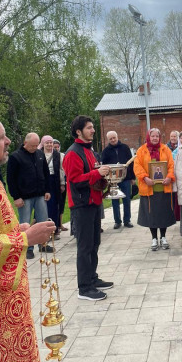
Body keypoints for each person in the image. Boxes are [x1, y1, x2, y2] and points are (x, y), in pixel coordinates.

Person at [0, 115, 56, 362]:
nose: (9, 141)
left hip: (7, 303)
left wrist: (18, 228)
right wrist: (26, 238)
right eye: (1, 137)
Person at [63, 115, 113, 301]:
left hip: (94, 202)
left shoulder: (89, 150)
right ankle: (84, 288)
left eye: (92, 127)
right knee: (84, 247)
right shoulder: (73, 153)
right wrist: (96, 173)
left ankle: (92, 278)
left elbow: (92, 175)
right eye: (89, 128)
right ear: (79, 131)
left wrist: (105, 182)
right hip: (81, 205)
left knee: (94, 244)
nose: (93, 130)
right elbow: (75, 180)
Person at [7, 132, 52, 259]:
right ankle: (27, 247)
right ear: (25, 143)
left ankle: (43, 244)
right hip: (24, 197)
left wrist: (47, 190)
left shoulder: (39, 154)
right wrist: (16, 197)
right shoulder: (16, 157)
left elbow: (46, 172)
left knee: (43, 219)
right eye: (32, 145)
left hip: (40, 194)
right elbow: (11, 179)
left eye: (37, 145)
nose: (34, 148)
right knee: (25, 223)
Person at [134, 128, 176, 251]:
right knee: (151, 215)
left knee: (163, 214)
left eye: (157, 136)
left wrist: (169, 177)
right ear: (148, 136)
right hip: (148, 188)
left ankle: (163, 237)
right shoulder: (141, 150)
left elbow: (171, 165)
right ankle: (154, 238)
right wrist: (145, 178)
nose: (155, 138)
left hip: (164, 188)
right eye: (152, 136)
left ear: (160, 137)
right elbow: (137, 166)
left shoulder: (165, 149)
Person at [101, 130, 135, 229]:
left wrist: (132, 177)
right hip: (112, 181)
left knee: (126, 200)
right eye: (110, 139)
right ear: (108, 140)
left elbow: (131, 163)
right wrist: (106, 180)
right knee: (114, 201)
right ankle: (117, 221)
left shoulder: (125, 148)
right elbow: (104, 165)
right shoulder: (105, 151)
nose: (113, 140)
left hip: (125, 178)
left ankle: (127, 220)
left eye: (114, 138)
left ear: (117, 137)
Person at [39, 135, 65, 240]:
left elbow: (61, 170)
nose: (49, 145)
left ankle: (55, 230)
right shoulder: (39, 154)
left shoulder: (58, 155)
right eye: (47, 143)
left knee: (55, 206)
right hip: (43, 183)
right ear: (43, 144)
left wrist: (62, 183)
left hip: (55, 181)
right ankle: (44, 231)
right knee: (43, 208)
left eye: (51, 143)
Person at [53, 139, 68, 232]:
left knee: (62, 203)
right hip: (54, 183)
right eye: (55, 147)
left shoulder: (63, 155)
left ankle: (60, 224)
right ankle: (55, 225)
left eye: (58, 147)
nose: (56, 149)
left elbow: (64, 169)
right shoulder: (49, 156)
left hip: (63, 181)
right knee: (55, 204)